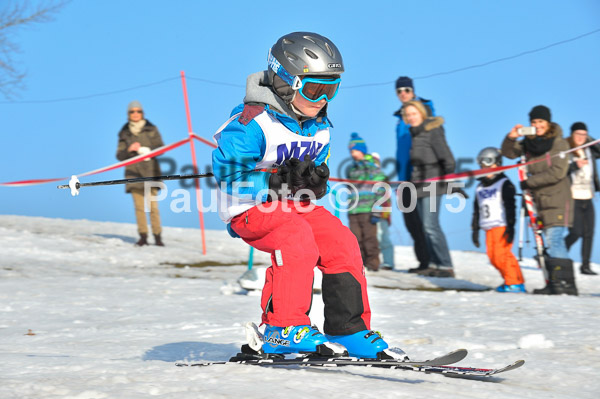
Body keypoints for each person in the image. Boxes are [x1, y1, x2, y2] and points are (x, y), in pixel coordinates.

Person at [211, 32, 404, 360]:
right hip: (248, 208)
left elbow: (317, 175)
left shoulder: (320, 126)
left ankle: (348, 328)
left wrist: (315, 183)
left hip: (294, 206)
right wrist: (273, 183)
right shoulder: (252, 121)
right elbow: (230, 175)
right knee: (295, 237)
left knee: (342, 241)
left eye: (331, 89)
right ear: (286, 82)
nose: (323, 98)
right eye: (315, 88)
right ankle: (282, 327)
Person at [501, 105, 577, 295]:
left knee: (555, 239)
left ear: (548, 122)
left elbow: (557, 172)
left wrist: (529, 183)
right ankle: (554, 281)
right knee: (545, 242)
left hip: (558, 199)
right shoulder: (529, 144)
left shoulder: (559, 143)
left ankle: (564, 284)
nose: (538, 125)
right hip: (539, 202)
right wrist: (511, 137)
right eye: (534, 122)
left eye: (541, 121)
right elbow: (509, 153)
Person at [404, 100, 456, 277]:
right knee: (424, 227)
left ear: (421, 113)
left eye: (414, 113)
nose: (411, 117)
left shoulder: (432, 130)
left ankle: (445, 265)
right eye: (408, 115)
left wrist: (449, 180)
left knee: (430, 225)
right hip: (418, 185)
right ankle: (434, 263)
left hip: (433, 185)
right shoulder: (415, 133)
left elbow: (447, 157)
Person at [472, 147, 525, 292]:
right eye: (483, 167)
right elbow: (477, 210)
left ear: (498, 164)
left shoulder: (504, 183)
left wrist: (511, 226)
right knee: (493, 257)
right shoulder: (479, 187)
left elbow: (510, 206)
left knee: (502, 255)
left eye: (490, 166)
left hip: (501, 225)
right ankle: (512, 280)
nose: (486, 169)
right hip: (488, 227)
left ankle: (514, 283)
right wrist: (475, 230)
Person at [393, 76, 432, 273]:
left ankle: (434, 262)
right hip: (405, 176)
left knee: (426, 221)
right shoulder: (400, 118)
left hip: (421, 175)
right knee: (411, 222)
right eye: (399, 91)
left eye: (406, 90)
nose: (403, 94)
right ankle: (424, 262)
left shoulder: (423, 110)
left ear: (413, 91)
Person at [116, 100, 165, 247]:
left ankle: (158, 237)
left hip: (151, 173)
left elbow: (161, 148)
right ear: (128, 114)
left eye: (138, 111)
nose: (135, 114)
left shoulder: (151, 129)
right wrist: (129, 149)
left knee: (152, 207)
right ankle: (143, 236)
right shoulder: (124, 132)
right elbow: (119, 155)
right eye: (132, 111)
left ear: (142, 113)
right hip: (133, 174)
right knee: (139, 208)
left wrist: (146, 149)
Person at [346, 135, 386, 272]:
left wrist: (377, 208)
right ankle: (359, 263)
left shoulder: (373, 168)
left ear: (362, 150)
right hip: (354, 210)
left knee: (370, 238)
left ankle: (373, 264)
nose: (352, 154)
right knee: (355, 238)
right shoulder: (352, 169)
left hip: (368, 209)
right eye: (351, 151)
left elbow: (381, 188)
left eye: (355, 150)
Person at [565, 122, 600, 275]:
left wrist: (590, 140)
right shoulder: (566, 150)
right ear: (572, 135)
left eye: (584, 135)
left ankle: (585, 265)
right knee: (576, 232)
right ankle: (557, 255)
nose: (580, 138)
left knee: (589, 232)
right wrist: (574, 165)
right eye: (577, 134)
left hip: (588, 195)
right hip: (572, 197)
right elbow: (560, 170)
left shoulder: (589, 150)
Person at [371, 152, 395, 269]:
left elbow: (386, 197)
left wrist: (385, 212)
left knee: (383, 237)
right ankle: (371, 261)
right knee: (371, 238)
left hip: (382, 213)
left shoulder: (382, 177)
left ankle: (388, 262)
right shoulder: (366, 177)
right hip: (368, 213)